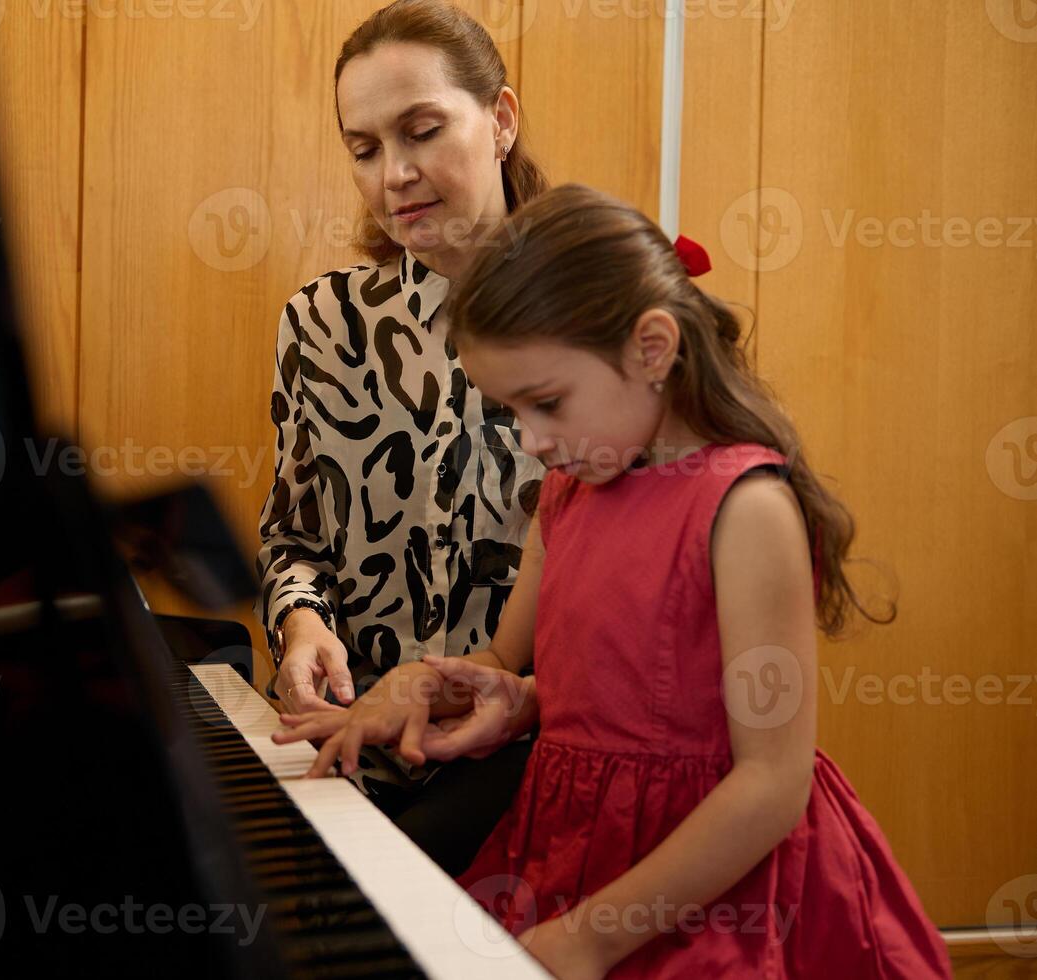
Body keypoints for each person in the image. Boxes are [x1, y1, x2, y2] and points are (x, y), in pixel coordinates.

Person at [275, 184, 953, 978]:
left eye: (547, 403)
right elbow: (510, 660)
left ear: (651, 348)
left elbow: (772, 782)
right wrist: (446, 689)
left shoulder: (745, 510)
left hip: (711, 885)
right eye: (510, 413)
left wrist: (595, 935)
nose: (530, 441)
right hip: (569, 848)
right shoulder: (566, 493)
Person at [254, 0, 546, 873]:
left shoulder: (591, 310)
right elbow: (295, 538)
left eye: (421, 131)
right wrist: (302, 627)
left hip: (532, 746)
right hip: (363, 741)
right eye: (364, 148)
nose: (394, 175)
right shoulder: (324, 320)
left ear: (499, 120)